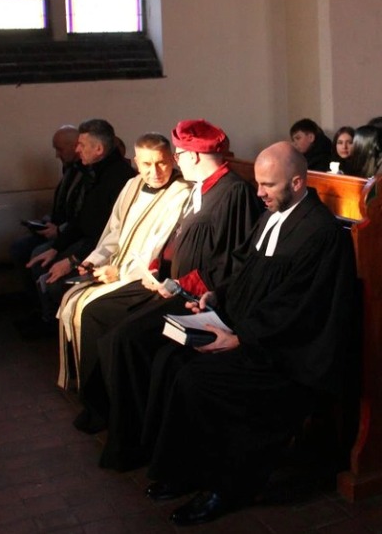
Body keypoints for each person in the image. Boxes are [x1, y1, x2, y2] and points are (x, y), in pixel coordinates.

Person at [142, 141, 357, 526]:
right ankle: (187, 469)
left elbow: (300, 309)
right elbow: (245, 271)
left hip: (290, 355)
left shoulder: (321, 233)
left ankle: (227, 487)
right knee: (169, 359)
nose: (259, 193)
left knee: (201, 380)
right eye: (258, 183)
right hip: (251, 332)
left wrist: (241, 338)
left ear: (296, 182)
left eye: (268, 185)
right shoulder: (272, 215)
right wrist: (216, 298)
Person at [72, 118, 263, 471]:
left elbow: (231, 262)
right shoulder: (201, 187)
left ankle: (133, 440)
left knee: (124, 341)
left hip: (197, 297)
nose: (175, 161)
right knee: (104, 321)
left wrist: (179, 285)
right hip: (171, 285)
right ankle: (111, 416)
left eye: (178, 154)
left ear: (193, 155)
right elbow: (176, 239)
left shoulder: (233, 192)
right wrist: (157, 267)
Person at [56, 133, 192, 389]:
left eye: (161, 163)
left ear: (173, 160)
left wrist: (120, 273)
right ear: (136, 163)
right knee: (71, 299)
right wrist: (94, 261)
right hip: (116, 266)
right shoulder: (132, 185)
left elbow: (157, 246)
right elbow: (115, 231)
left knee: (90, 310)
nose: (154, 172)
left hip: (142, 275)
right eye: (146, 164)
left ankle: (103, 389)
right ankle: (87, 382)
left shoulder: (181, 192)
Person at [24, 119, 136, 336]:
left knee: (56, 282)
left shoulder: (120, 179)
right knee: (42, 259)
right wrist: (56, 248)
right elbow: (81, 219)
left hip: (103, 250)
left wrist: (72, 260)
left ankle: (66, 331)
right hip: (88, 243)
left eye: (81, 145)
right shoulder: (94, 172)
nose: (77, 150)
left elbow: (108, 234)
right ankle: (52, 322)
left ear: (99, 149)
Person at [11, 125, 82, 309]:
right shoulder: (70, 170)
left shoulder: (86, 174)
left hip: (75, 234)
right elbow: (64, 206)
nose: (57, 155)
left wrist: (59, 230)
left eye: (60, 149)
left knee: (35, 253)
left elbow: (83, 215)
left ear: (75, 146)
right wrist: (47, 221)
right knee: (20, 247)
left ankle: (46, 313)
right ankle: (36, 307)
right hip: (61, 228)